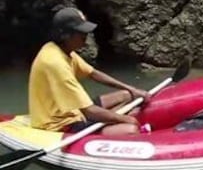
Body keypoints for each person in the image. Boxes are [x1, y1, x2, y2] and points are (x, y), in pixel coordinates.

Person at [28, 7, 150, 135]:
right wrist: (126, 119)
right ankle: (116, 120)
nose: (85, 36)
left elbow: (93, 73)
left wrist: (132, 89)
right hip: (58, 122)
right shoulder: (54, 63)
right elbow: (89, 111)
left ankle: (115, 116)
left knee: (127, 95)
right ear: (65, 35)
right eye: (81, 32)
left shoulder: (64, 51)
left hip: (74, 110)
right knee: (130, 130)